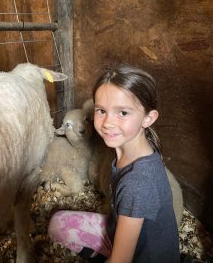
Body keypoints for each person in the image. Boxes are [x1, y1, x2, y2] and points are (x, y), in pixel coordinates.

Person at [48, 64, 180, 263]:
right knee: (57, 224)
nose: (108, 122)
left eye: (123, 113)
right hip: (120, 230)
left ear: (148, 118)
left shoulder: (137, 183)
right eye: (101, 110)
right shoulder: (131, 151)